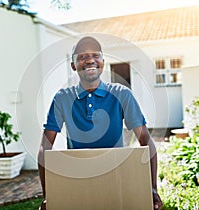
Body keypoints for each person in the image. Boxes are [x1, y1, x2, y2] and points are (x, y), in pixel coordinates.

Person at [38, 36, 163, 210]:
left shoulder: (121, 94)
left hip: (118, 180)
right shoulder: (62, 98)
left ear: (103, 61)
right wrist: (48, 195)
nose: (90, 60)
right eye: (82, 56)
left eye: (96, 55)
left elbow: (146, 141)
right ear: (73, 66)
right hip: (77, 183)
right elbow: (45, 148)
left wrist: (153, 189)